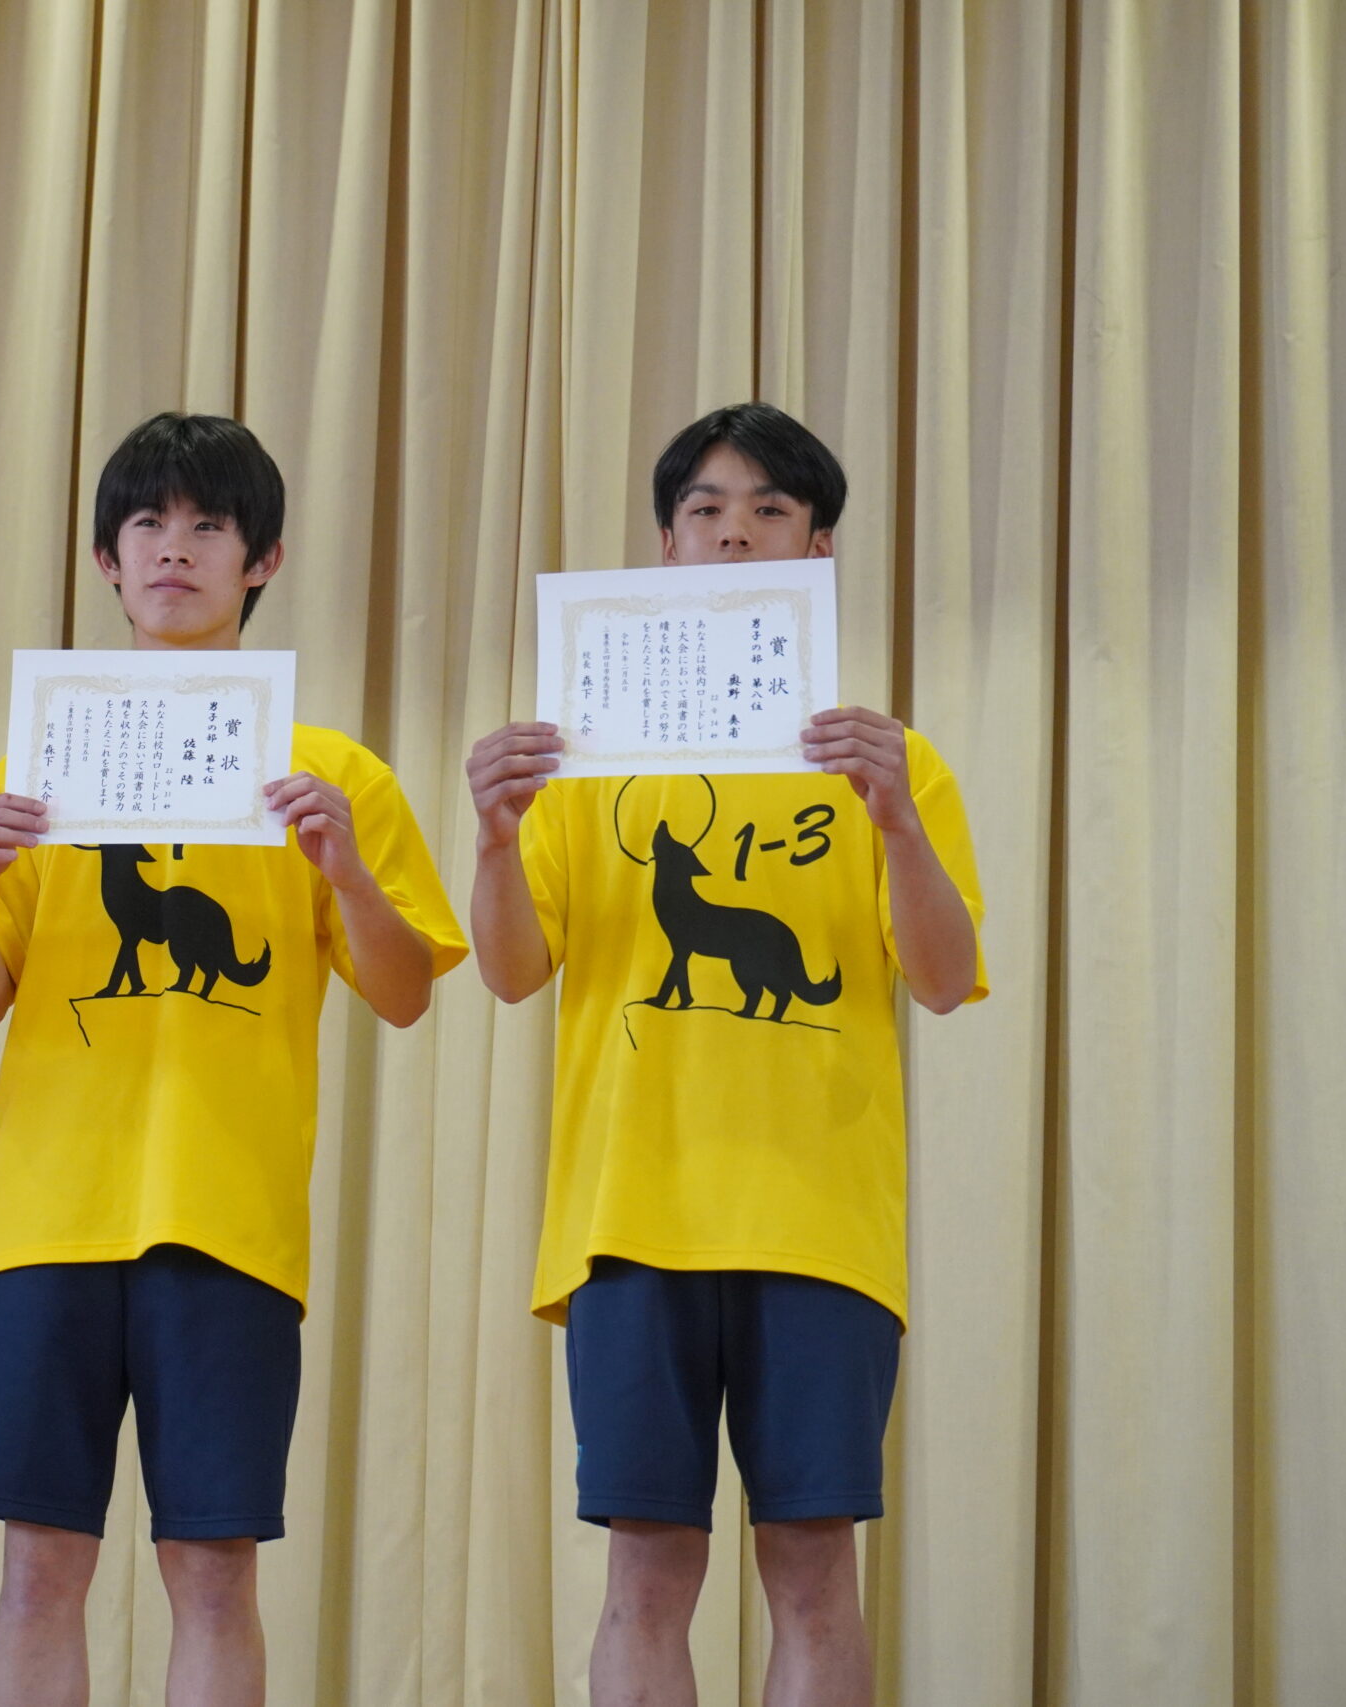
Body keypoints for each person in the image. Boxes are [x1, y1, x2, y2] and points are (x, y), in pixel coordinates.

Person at [0, 412, 467, 1707]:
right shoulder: (32, 767)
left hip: (230, 1222)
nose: (175, 549)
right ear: (106, 561)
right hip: (47, 1220)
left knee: (212, 1569)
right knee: (38, 1565)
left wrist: (346, 868)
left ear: (261, 559)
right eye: (148, 524)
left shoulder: (329, 774)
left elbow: (404, 994)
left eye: (208, 526)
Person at [464, 402, 987, 1707]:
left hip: (819, 1223)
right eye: (704, 510)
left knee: (812, 1568)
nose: (734, 532)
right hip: (627, 1217)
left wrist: (896, 820)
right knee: (644, 1572)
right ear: (665, 544)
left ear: (818, 546)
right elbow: (513, 971)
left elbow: (940, 978)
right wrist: (493, 837)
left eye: (769, 509)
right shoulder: (582, 757)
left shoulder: (887, 761)